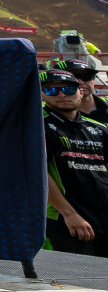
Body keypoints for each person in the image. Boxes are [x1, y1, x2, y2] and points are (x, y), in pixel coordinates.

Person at [45, 66, 107, 256]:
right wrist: (69, 214)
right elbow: (36, 173)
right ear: (42, 94)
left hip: (103, 216)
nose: (62, 95)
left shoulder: (99, 129)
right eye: (52, 90)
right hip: (66, 220)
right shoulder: (38, 126)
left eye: (69, 89)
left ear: (80, 92)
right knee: (74, 282)